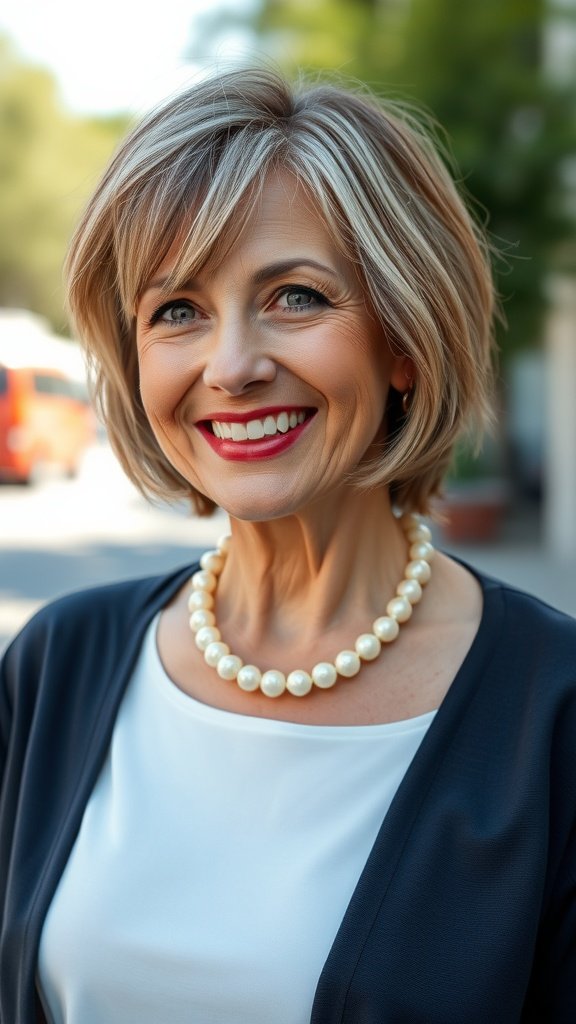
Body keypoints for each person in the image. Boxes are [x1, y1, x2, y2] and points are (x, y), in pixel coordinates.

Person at [1, 65, 575, 1024]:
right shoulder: (55, 667)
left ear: (405, 338)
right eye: (176, 310)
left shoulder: (552, 719)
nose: (231, 367)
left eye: (297, 297)